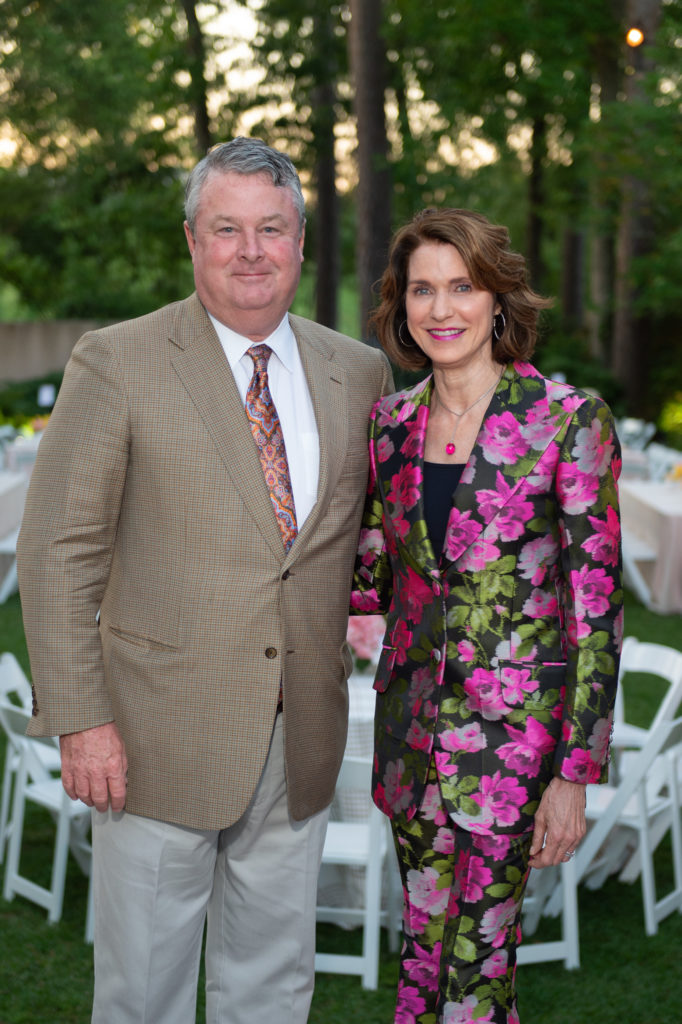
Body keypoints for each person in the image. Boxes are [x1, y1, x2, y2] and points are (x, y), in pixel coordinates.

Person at [17, 137, 393, 1024]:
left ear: (302, 240)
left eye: (272, 228)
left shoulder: (359, 371)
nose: (251, 250)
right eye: (228, 229)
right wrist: (82, 720)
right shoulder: (118, 361)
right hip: (149, 740)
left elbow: (362, 533)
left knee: (271, 984)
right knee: (143, 991)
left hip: (297, 730)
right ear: (192, 240)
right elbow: (56, 549)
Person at [351, 207, 622, 1024]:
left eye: (461, 286)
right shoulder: (389, 427)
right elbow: (367, 576)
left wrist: (574, 776)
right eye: (421, 290)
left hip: (514, 752)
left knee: (479, 965)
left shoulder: (567, 420)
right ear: (401, 309)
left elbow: (596, 616)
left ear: (497, 299)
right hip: (410, 740)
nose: (441, 309)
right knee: (426, 952)